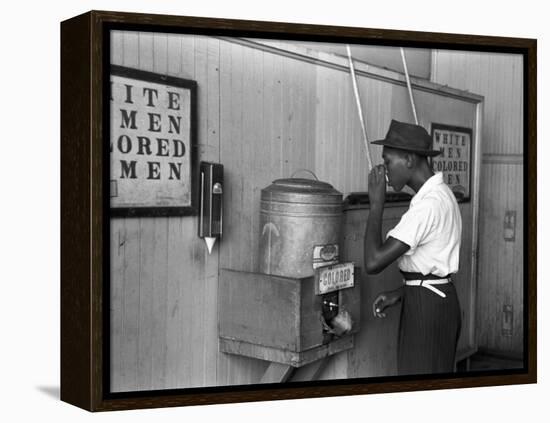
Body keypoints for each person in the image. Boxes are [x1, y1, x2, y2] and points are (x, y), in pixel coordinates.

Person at [364, 119, 462, 375]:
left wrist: (376, 204)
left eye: (387, 162)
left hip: (428, 309)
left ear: (409, 159)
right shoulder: (440, 194)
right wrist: (403, 291)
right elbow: (432, 266)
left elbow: (374, 261)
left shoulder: (428, 205)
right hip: (432, 299)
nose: (384, 171)